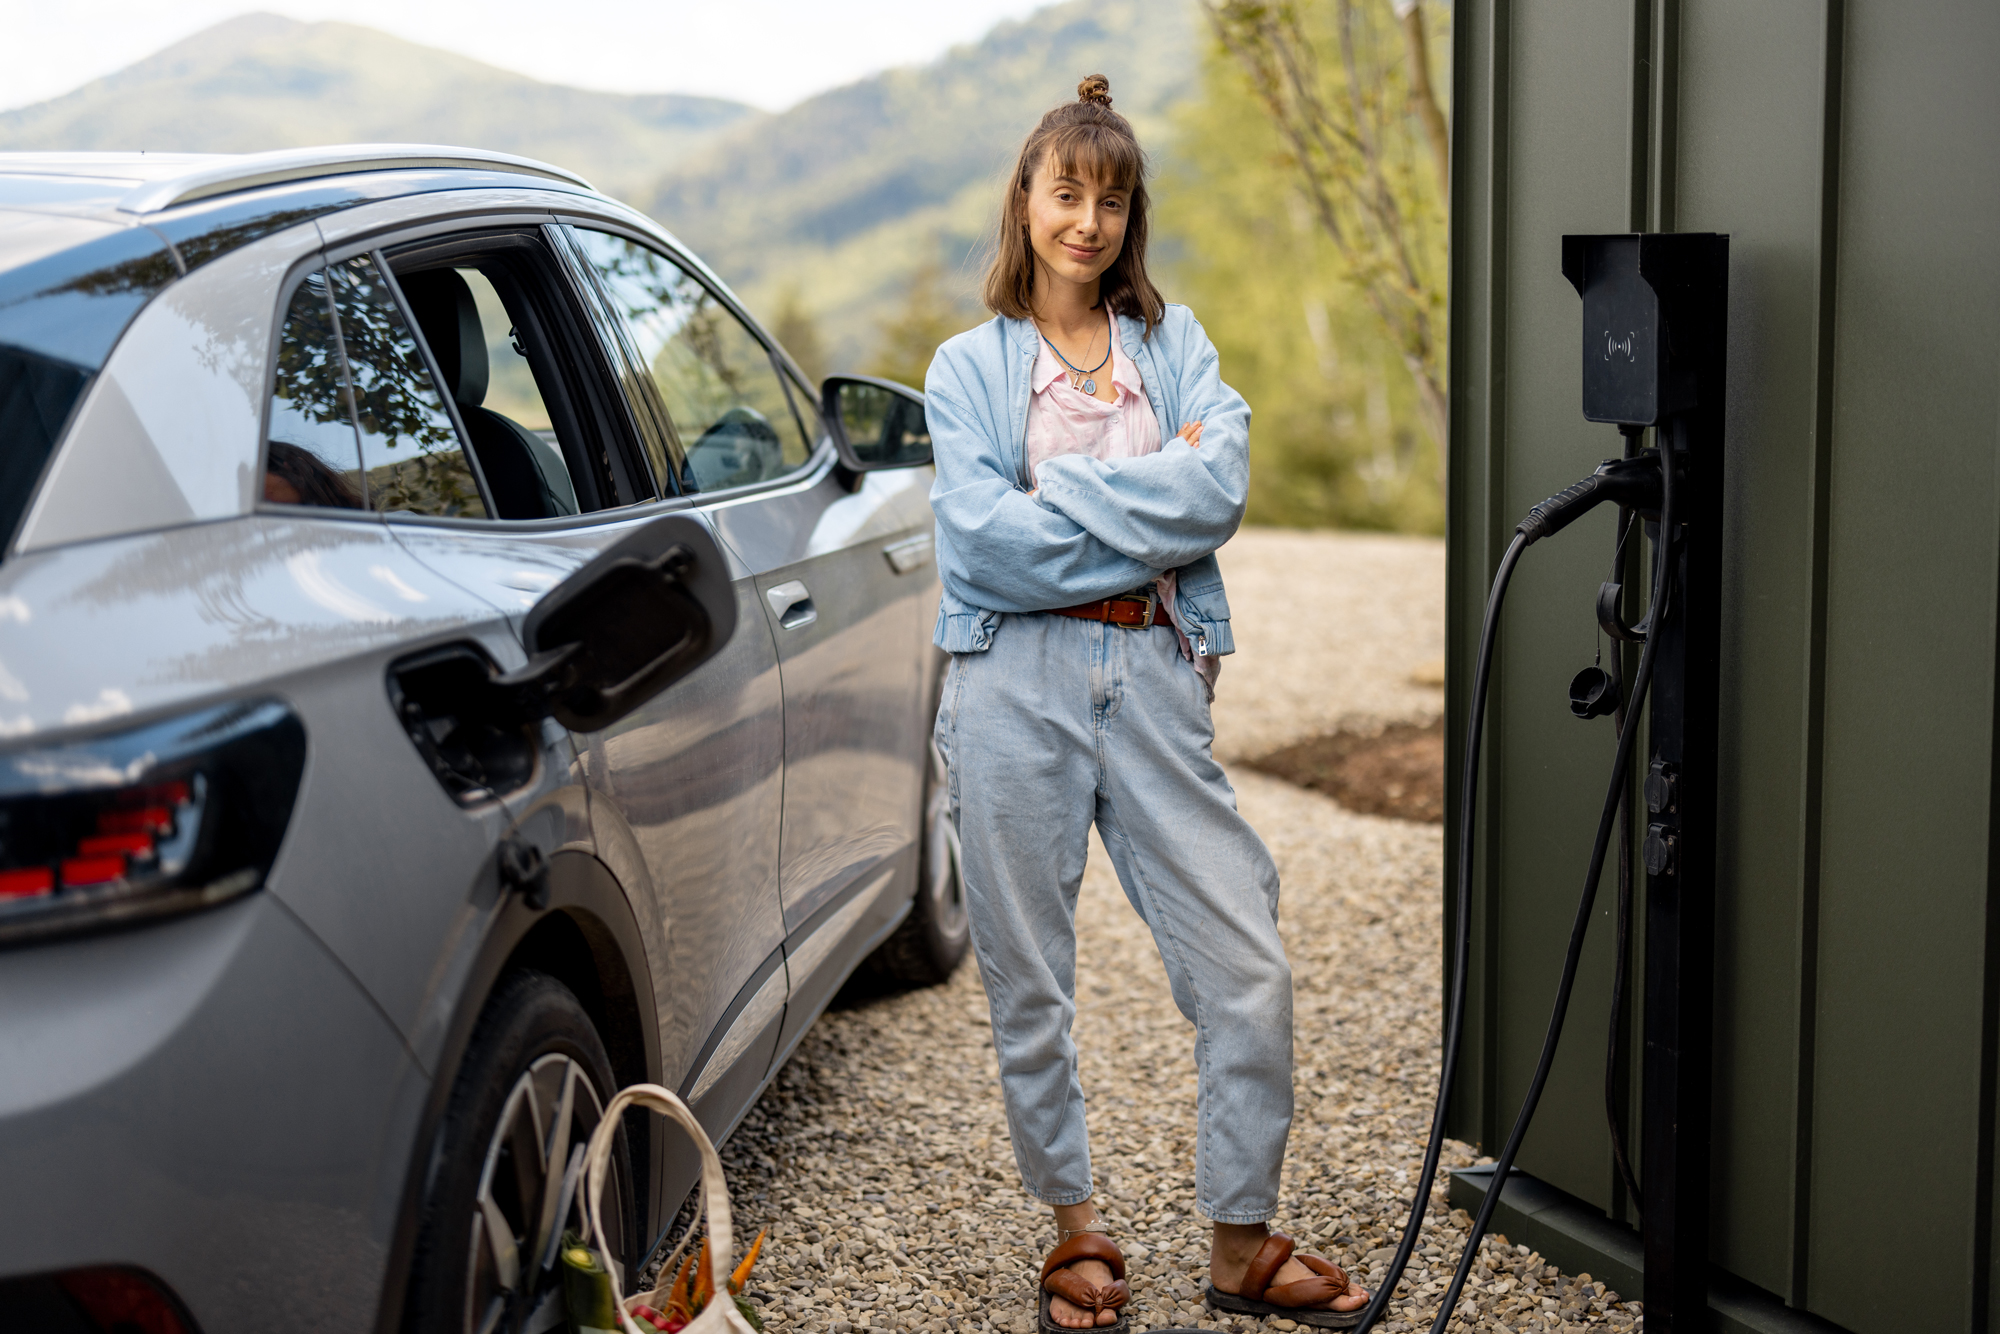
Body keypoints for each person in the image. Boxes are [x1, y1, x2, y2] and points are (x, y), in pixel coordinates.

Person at [925, 76, 1372, 1332]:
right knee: (1030, 974)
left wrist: (1061, 510)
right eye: (1065, 193)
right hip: (1012, 681)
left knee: (1244, 959)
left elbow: (1215, 489)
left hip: (1159, 676)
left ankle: (1238, 1244)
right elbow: (981, 552)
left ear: (1131, 217)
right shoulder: (965, 369)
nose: (1088, 221)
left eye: (1111, 199)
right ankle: (1074, 1226)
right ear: (1025, 200)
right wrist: (1146, 503)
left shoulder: (1179, 349)